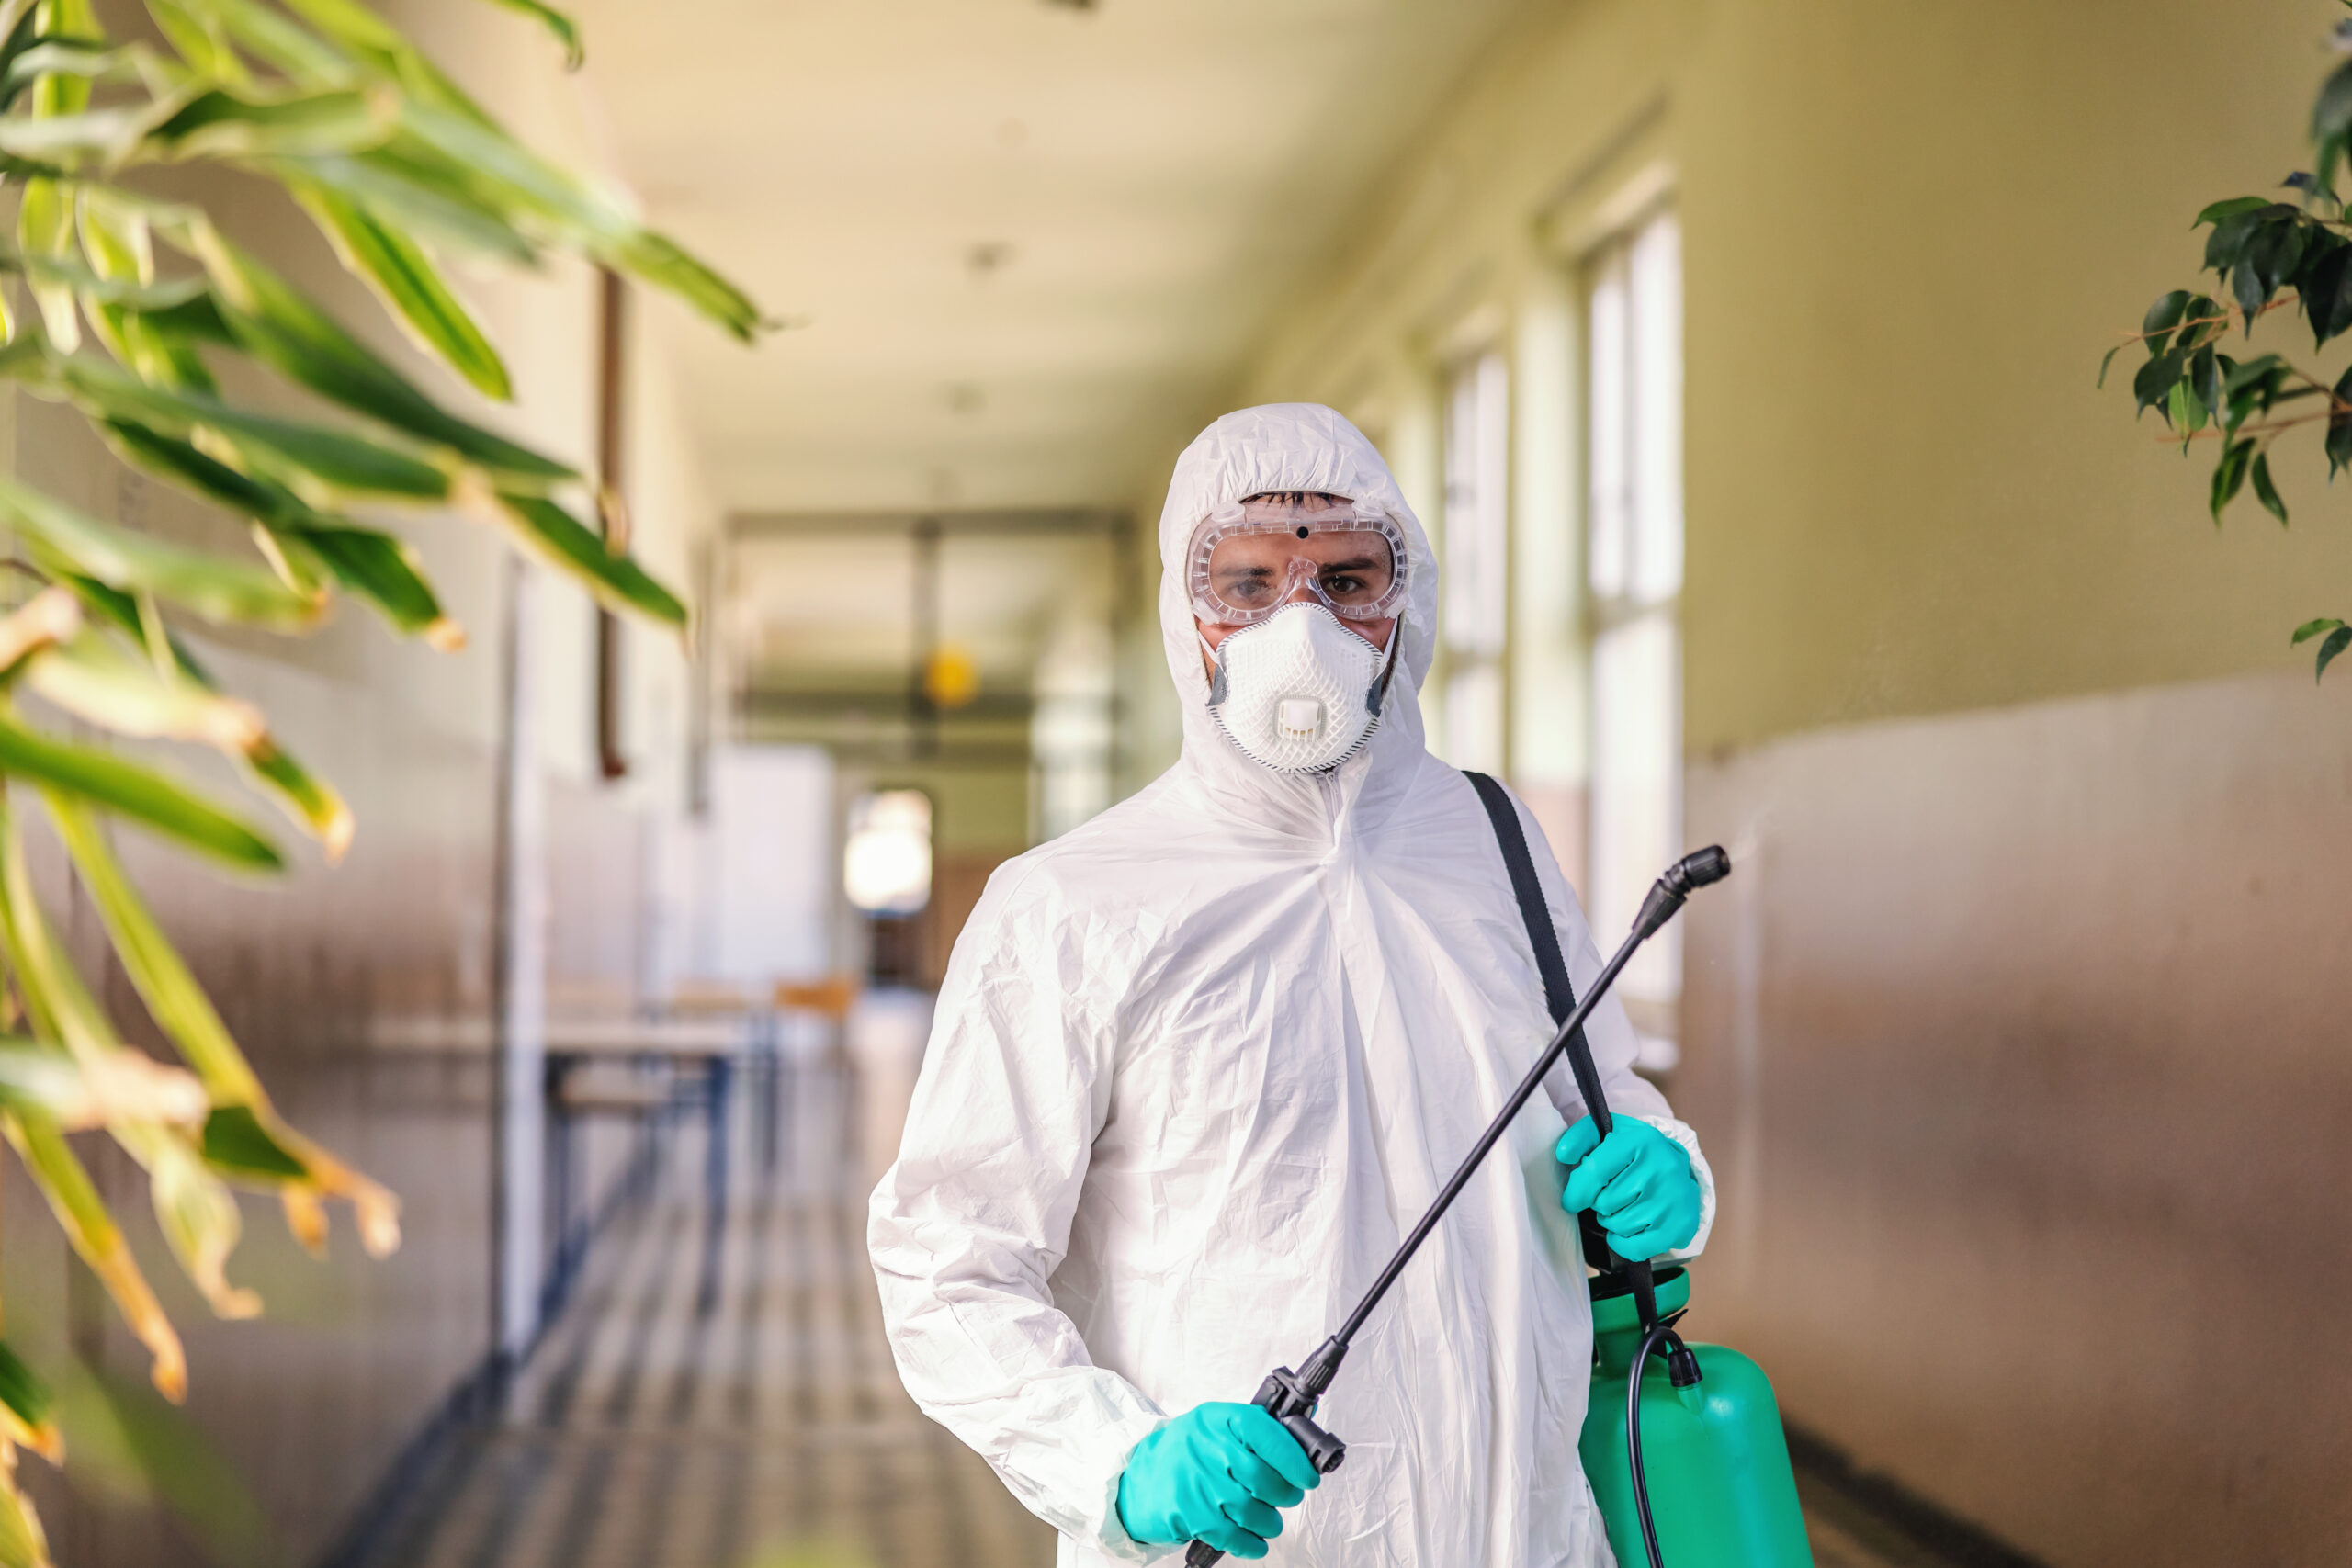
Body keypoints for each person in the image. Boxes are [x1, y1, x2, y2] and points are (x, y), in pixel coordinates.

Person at [868, 404, 1713, 1567]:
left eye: (1346, 577)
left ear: (1399, 601)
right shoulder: (1068, 905)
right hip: (1250, 1546)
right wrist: (1112, 1461)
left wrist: (1668, 1170)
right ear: (1188, 610)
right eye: (1250, 581)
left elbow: (1604, 1098)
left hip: (1523, 1529)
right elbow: (946, 1259)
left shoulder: (1496, 842)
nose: (1299, 624)